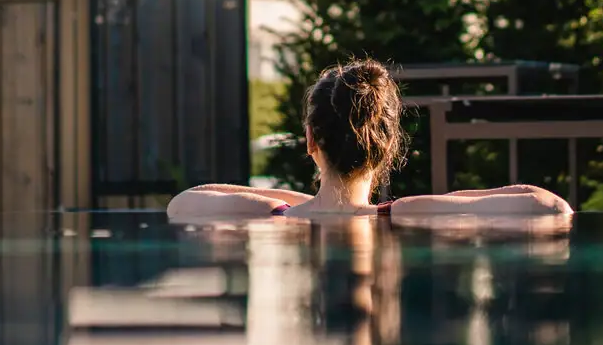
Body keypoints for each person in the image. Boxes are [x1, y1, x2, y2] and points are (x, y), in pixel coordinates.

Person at [166, 59, 573, 224]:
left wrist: (301, 206)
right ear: (388, 148)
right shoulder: (397, 218)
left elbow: (184, 201)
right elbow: (551, 206)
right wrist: (399, 207)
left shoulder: (281, 218)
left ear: (310, 140)